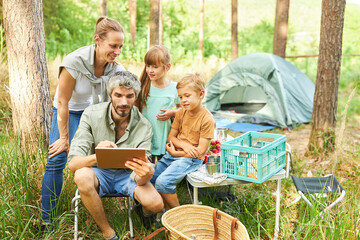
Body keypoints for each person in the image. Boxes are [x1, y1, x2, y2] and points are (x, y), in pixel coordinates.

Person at [41, 16, 126, 226]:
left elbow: (123, 98)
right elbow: (62, 101)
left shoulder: (116, 68)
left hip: (94, 113)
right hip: (68, 110)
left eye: (121, 47)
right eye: (113, 46)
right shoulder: (74, 62)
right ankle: (47, 220)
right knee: (56, 159)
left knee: (103, 157)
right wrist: (64, 138)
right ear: (97, 39)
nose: (117, 51)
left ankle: (95, 209)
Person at [68, 71, 164, 239]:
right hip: (98, 173)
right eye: (118, 95)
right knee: (81, 176)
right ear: (110, 95)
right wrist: (99, 156)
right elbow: (73, 164)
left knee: (156, 204)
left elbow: (140, 177)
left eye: (129, 96)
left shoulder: (144, 126)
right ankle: (108, 232)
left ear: (136, 97)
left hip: (127, 176)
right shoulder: (91, 115)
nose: (124, 102)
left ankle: (141, 211)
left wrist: (146, 174)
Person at [151, 73, 216, 209]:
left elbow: (199, 153)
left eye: (187, 96)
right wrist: (184, 146)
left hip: (189, 159)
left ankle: (179, 214)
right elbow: (171, 137)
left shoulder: (207, 119)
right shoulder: (181, 113)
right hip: (173, 155)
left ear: (201, 94)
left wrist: (176, 153)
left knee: (163, 182)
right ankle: (161, 211)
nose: (183, 100)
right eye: (180, 97)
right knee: (150, 178)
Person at [135, 45, 180, 162]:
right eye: (148, 66)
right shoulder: (143, 86)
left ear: (167, 67)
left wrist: (173, 112)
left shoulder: (174, 88)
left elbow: (185, 109)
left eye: (155, 67)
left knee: (161, 169)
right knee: (145, 168)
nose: (150, 70)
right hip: (145, 138)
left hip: (164, 138)